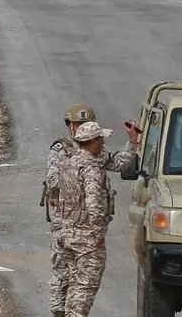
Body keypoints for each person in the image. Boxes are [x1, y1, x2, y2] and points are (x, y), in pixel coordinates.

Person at [43, 104, 139, 317]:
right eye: (77, 124)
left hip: (75, 228)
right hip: (68, 224)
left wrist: (132, 143)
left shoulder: (92, 156)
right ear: (70, 126)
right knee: (69, 278)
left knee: (77, 283)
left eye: (84, 124)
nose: (78, 128)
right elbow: (54, 184)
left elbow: (119, 163)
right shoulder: (64, 152)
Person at [54, 121, 117, 317]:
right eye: (101, 140)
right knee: (85, 287)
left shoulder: (67, 163)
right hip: (86, 239)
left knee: (74, 283)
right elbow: (93, 203)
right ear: (94, 141)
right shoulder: (91, 168)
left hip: (68, 234)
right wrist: (97, 234)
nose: (103, 144)